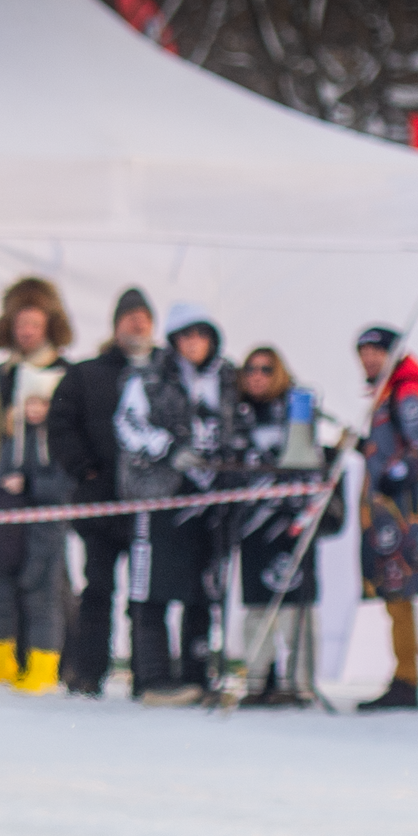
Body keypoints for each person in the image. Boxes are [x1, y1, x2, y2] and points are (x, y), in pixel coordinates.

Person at [116, 301, 236, 705]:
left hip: (211, 497)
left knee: (203, 589)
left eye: (202, 335)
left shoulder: (227, 379)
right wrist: (167, 449)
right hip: (161, 495)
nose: (194, 344)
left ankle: (196, 674)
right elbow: (128, 423)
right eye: (187, 335)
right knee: (151, 587)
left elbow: (241, 423)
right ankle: (151, 677)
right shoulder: (150, 377)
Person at [51, 287, 155, 696]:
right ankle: (88, 672)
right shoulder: (87, 373)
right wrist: (85, 470)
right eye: (130, 318)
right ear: (116, 326)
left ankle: (147, 674)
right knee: (97, 591)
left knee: (145, 595)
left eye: (143, 319)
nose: (137, 325)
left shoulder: (161, 373)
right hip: (99, 502)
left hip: (148, 507)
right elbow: (61, 425)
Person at [234, 346, 343, 706]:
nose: (257, 376)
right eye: (251, 369)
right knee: (256, 606)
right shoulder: (238, 412)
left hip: (292, 522)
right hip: (253, 522)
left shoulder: (300, 410)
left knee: (296, 605)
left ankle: (298, 682)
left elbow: (313, 461)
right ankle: (256, 679)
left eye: (266, 369)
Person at [0, 368, 73, 693]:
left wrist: (30, 485)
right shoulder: (11, 438)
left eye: (42, 402)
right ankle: (0, 658)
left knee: (42, 596)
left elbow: (64, 484)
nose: (36, 409)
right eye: (31, 402)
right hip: (8, 532)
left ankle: (44, 665)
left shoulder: (59, 441)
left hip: (45, 532)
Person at [353, 326, 418, 710]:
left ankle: (407, 678)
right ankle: (405, 674)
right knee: (395, 596)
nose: (370, 358)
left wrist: (396, 475)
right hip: (389, 514)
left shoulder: (407, 391)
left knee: (400, 593)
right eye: (364, 352)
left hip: (403, 515)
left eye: (377, 351)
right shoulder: (390, 392)